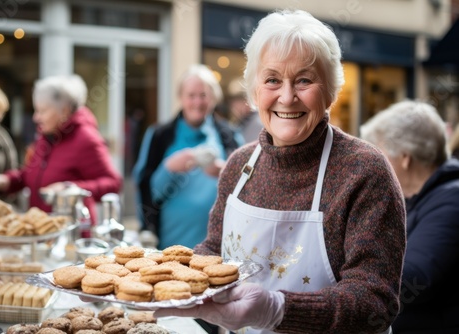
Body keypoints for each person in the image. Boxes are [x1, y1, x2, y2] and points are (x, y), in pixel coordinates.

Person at [154, 10, 406, 334]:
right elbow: (215, 252)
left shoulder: (364, 171)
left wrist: (278, 309)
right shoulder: (238, 166)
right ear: (254, 91)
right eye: (272, 79)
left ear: (330, 90)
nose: (287, 97)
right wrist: (172, 273)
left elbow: (375, 300)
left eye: (304, 80)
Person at [360, 100, 459, 334]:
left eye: (378, 154)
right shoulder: (415, 197)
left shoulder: (452, 199)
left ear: (405, 157)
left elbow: (416, 279)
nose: (371, 165)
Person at [0, 75, 122, 227]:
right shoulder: (47, 136)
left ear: (64, 111)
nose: (35, 117)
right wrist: (6, 181)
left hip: (72, 235)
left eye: (42, 111)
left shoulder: (87, 139)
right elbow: (30, 174)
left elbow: (113, 183)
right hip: (42, 230)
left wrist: (69, 188)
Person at [133, 64, 244, 250]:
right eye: (191, 95)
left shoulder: (231, 136)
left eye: (204, 95)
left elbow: (247, 187)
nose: (197, 102)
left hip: (220, 245)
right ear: (181, 97)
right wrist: (168, 168)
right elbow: (147, 191)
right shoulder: (159, 136)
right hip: (170, 244)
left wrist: (224, 172)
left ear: (214, 98)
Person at [227, 78, 262, 143]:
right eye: (234, 101)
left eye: (239, 100)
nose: (235, 106)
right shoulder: (236, 123)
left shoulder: (259, 122)